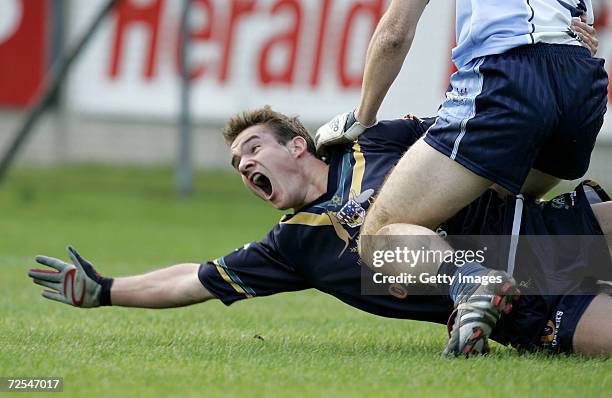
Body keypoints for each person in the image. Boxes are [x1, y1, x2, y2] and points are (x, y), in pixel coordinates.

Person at [29, 107, 612, 356]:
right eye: (236, 164)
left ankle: (474, 281)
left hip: (548, 228)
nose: (244, 164)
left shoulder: (379, 142)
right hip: (535, 307)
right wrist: (106, 290)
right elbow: (192, 280)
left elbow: (480, 139)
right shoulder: (292, 246)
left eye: (252, 147)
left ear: (297, 144)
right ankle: (475, 290)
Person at [315, 1, 608, 356]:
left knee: (378, 236)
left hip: (508, 76)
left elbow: (393, 34)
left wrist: (362, 117)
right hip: (582, 83)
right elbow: (582, 27)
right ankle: (566, 263)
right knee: (501, 202)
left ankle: (474, 284)